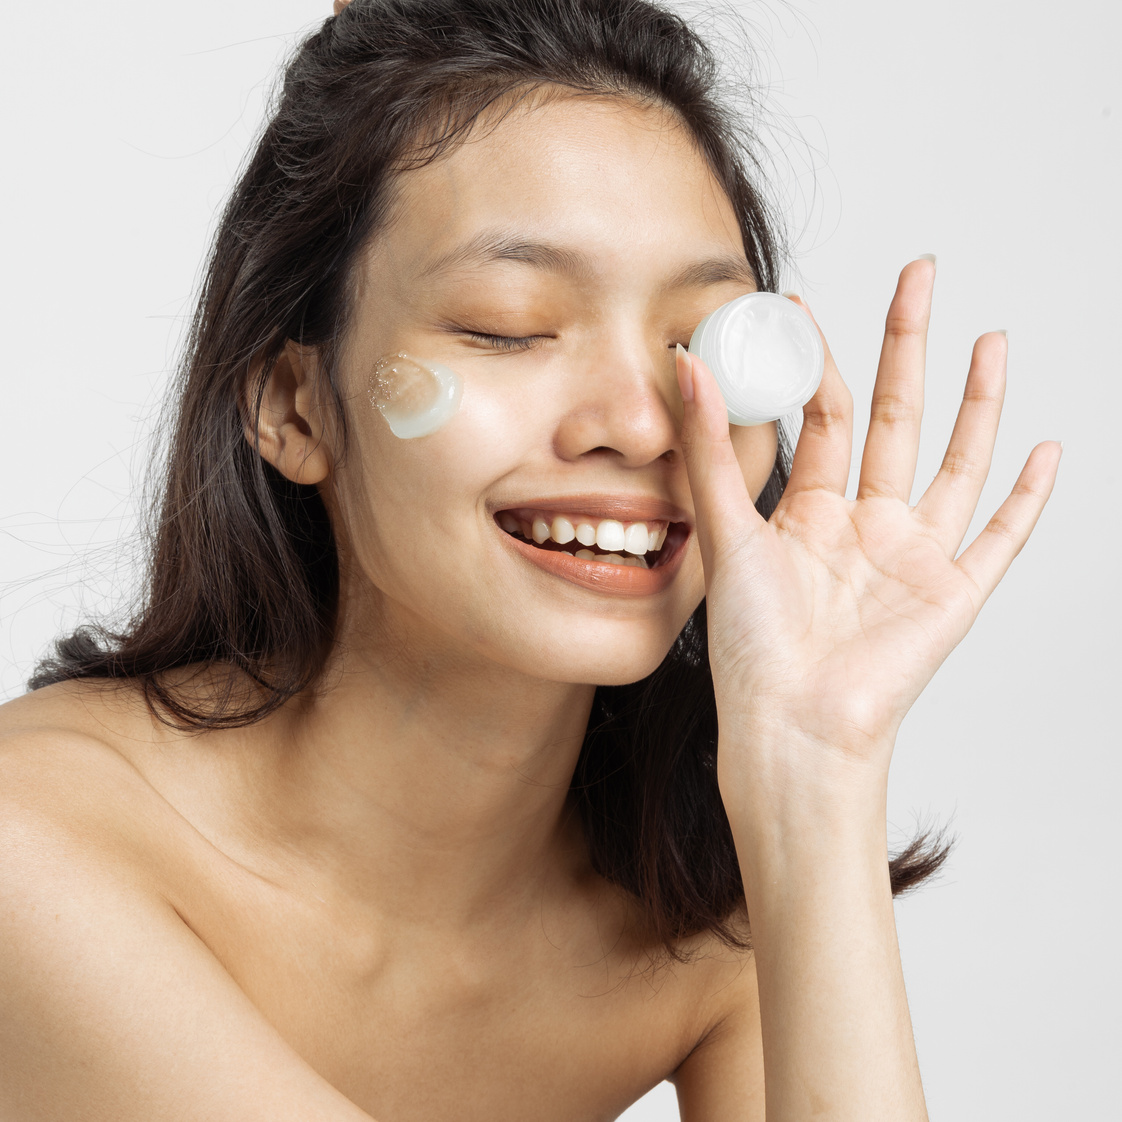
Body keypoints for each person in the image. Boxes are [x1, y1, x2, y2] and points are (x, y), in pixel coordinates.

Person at [0, 1, 1060, 1119]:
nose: (644, 426)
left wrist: (815, 774)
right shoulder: (31, 850)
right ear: (292, 404)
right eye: (509, 325)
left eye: (704, 344)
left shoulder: (701, 928)